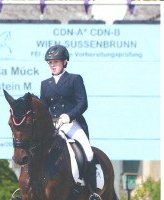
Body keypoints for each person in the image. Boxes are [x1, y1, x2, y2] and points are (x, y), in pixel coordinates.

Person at [40, 44, 100, 198]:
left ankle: (93, 192)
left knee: (88, 153)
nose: (52, 65)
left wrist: (69, 116)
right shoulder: (45, 84)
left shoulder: (74, 79)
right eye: (50, 63)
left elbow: (83, 103)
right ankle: (30, 185)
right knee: (35, 150)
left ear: (65, 62)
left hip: (72, 124)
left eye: (56, 62)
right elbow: (43, 107)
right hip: (53, 127)